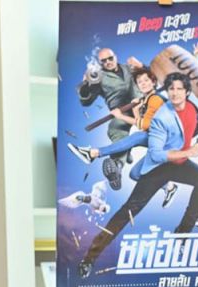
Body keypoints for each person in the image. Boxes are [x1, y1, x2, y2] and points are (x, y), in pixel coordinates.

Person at [77, 72, 198, 278]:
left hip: (180, 163)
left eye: (179, 89)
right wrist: (189, 152)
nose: (175, 93)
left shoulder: (195, 108)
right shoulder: (162, 117)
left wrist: (194, 141)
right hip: (158, 167)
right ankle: (89, 258)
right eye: (171, 89)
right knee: (127, 211)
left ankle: (182, 233)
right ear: (167, 91)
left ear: (187, 92)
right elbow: (157, 155)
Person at [68, 66, 178, 206]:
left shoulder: (155, 99)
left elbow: (146, 125)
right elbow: (142, 124)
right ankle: (169, 187)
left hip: (168, 142)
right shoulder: (145, 100)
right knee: (135, 174)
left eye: (146, 80)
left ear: (153, 82)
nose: (143, 83)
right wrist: (136, 109)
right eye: (140, 82)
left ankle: (93, 153)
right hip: (156, 141)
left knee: (137, 136)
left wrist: (120, 116)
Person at [77, 48, 142, 187]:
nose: (108, 62)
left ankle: (127, 149)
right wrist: (85, 85)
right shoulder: (98, 78)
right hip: (121, 111)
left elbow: (150, 78)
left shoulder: (128, 68)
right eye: (104, 61)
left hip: (142, 105)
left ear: (116, 57)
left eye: (110, 58)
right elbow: (86, 101)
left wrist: (141, 66)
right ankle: (117, 166)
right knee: (115, 129)